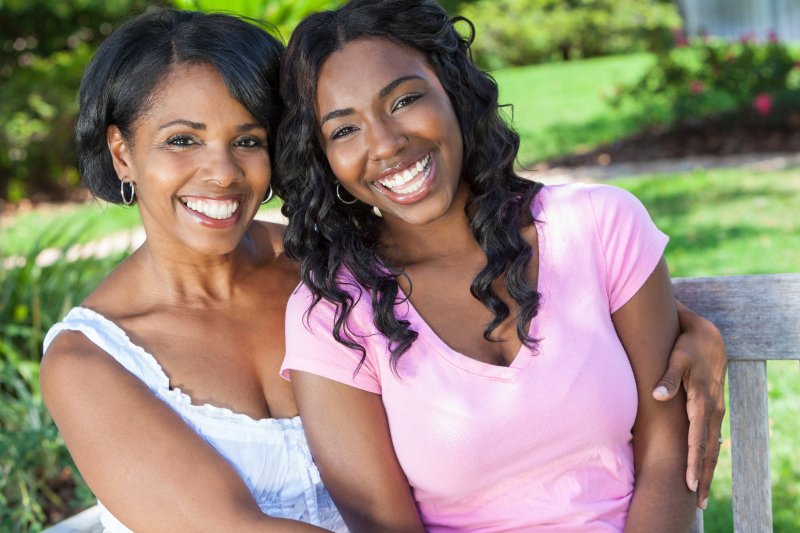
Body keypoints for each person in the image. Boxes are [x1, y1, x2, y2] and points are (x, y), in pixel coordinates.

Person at [275, 1, 725, 531]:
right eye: (344, 130)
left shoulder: (600, 225)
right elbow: (380, 520)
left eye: (405, 100)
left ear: (453, 92)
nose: (386, 143)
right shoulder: (336, 314)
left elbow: (669, 457)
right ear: (323, 158)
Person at [40, 9, 345, 532]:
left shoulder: (325, 265)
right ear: (122, 154)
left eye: (248, 140)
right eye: (182, 140)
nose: (223, 173)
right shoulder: (90, 360)